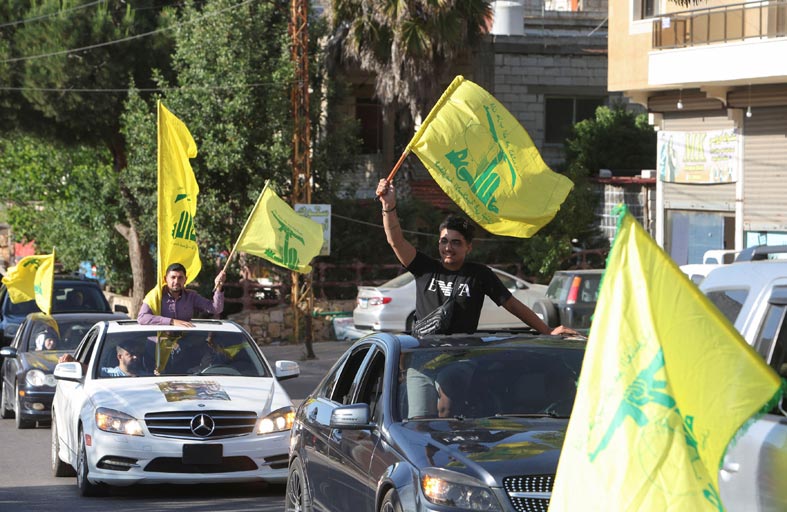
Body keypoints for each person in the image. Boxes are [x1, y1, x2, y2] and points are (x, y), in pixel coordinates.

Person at [376, 178, 577, 336]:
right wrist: (388, 206)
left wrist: (547, 330)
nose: (448, 247)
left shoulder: (479, 275)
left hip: (461, 360)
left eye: (456, 242)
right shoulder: (425, 268)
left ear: (468, 247)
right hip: (423, 358)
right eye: (444, 241)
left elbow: (512, 304)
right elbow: (396, 241)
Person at [137, 263, 226, 327]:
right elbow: (142, 318)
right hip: (158, 348)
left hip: (184, 346)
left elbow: (216, 308)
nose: (176, 281)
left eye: (180, 278)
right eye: (173, 277)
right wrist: (171, 321)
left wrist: (219, 286)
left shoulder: (191, 297)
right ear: (165, 279)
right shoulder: (155, 296)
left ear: (185, 280)